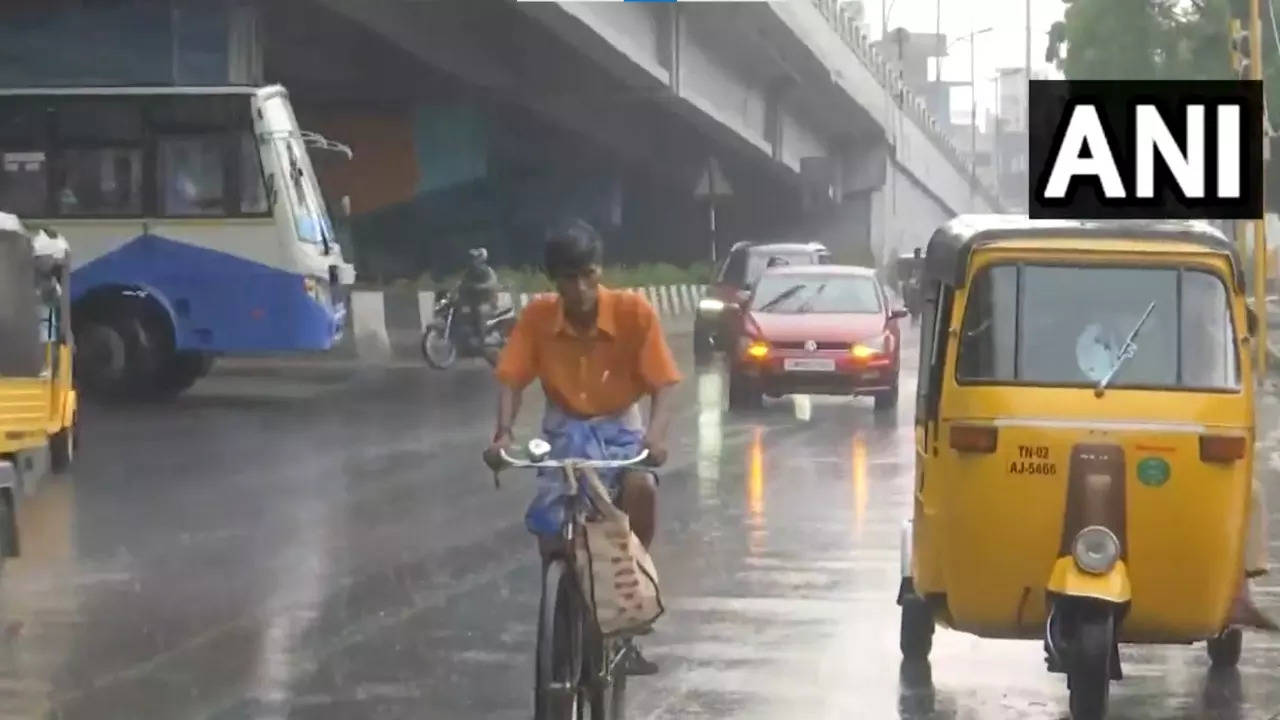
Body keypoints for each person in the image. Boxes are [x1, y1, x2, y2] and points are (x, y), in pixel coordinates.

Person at [485, 218, 682, 675]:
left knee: (642, 491)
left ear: (600, 271)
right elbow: (511, 380)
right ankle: (563, 603)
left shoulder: (634, 313)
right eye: (568, 278)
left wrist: (655, 437)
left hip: (620, 426)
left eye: (588, 274)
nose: (580, 288)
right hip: (563, 427)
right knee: (553, 533)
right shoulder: (537, 317)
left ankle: (628, 596)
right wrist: (502, 435)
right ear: (553, 281)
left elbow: (664, 384)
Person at [457, 247, 499, 347]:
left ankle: (483, 337)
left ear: (482, 258)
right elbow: (462, 283)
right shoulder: (469, 272)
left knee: (480, 311)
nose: (473, 260)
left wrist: (478, 287)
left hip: (488, 301)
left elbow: (491, 284)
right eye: (472, 258)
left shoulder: (487, 271)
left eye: (475, 257)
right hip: (473, 301)